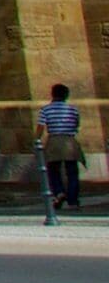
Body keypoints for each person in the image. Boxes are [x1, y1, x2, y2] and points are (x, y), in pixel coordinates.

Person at [42, 84, 82, 214]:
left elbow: (40, 126)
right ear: (66, 95)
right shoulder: (73, 109)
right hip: (69, 140)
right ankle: (73, 200)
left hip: (54, 140)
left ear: (53, 94)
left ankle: (58, 192)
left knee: (53, 170)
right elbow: (76, 124)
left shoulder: (46, 110)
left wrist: (36, 140)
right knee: (72, 172)